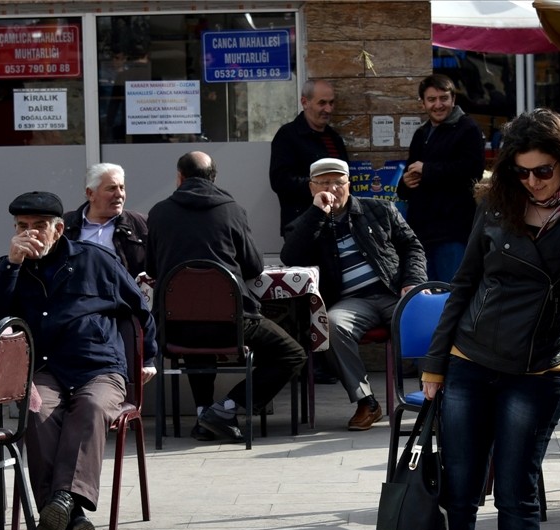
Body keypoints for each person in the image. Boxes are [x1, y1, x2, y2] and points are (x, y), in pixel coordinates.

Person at [416, 108, 560, 530]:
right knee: (458, 494)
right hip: (470, 362)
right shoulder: (496, 205)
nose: (533, 181)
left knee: (517, 499)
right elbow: (463, 284)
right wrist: (435, 364)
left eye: (543, 170)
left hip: (538, 369)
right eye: (521, 171)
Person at [0, 191, 157, 530]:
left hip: (98, 366)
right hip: (45, 368)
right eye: (22, 227)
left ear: (58, 230)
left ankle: (63, 500)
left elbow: (141, 312)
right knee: (37, 413)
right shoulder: (9, 266)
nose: (31, 234)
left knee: (91, 407)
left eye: (39, 226)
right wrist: (11, 265)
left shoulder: (96, 261)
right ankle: (70, 515)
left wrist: (147, 358)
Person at [147, 151, 306, 442]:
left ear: (179, 177)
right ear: (214, 178)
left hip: (174, 327)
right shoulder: (231, 209)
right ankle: (226, 409)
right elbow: (254, 267)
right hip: (231, 325)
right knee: (292, 352)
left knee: (194, 327)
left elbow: (150, 267)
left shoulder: (158, 212)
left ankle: (204, 414)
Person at [280, 157, 426, 430]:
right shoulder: (304, 222)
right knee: (332, 324)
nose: (332, 188)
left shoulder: (380, 210)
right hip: (352, 302)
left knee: (433, 317)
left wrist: (413, 280)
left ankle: (437, 397)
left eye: (338, 182)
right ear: (312, 187)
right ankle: (366, 402)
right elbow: (291, 257)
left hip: (392, 291)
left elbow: (412, 247)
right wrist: (317, 215)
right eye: (324, 182)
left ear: (349, 184)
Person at [397, 74, 486, 283]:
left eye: (443, 98)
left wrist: (427, 169)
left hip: (453, 231)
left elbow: (473, 170)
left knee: (451, 295)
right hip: (421, 233)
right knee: (425, 295)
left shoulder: (468, 129)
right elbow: (410, 174)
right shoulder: (422, 133)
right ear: (423, 103)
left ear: (453, 99)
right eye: (432, 99)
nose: (438, 105)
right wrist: (405, 184)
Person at [269, 79, 349, 235]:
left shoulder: (334, 138)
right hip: (301, 225)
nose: (328, 109)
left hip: (335, 224)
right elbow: (280, 180)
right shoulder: (288, 136)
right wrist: (320, 186)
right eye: (322, 103)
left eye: (331, 103)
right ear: (305, 103)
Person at [63, 163, 148, 282]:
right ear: (90, 193)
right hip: (76, 297)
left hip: (124, 299)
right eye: (112, 188)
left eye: (122, 188)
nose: (119, 194)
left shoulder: (142, 224)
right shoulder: (65, 224)